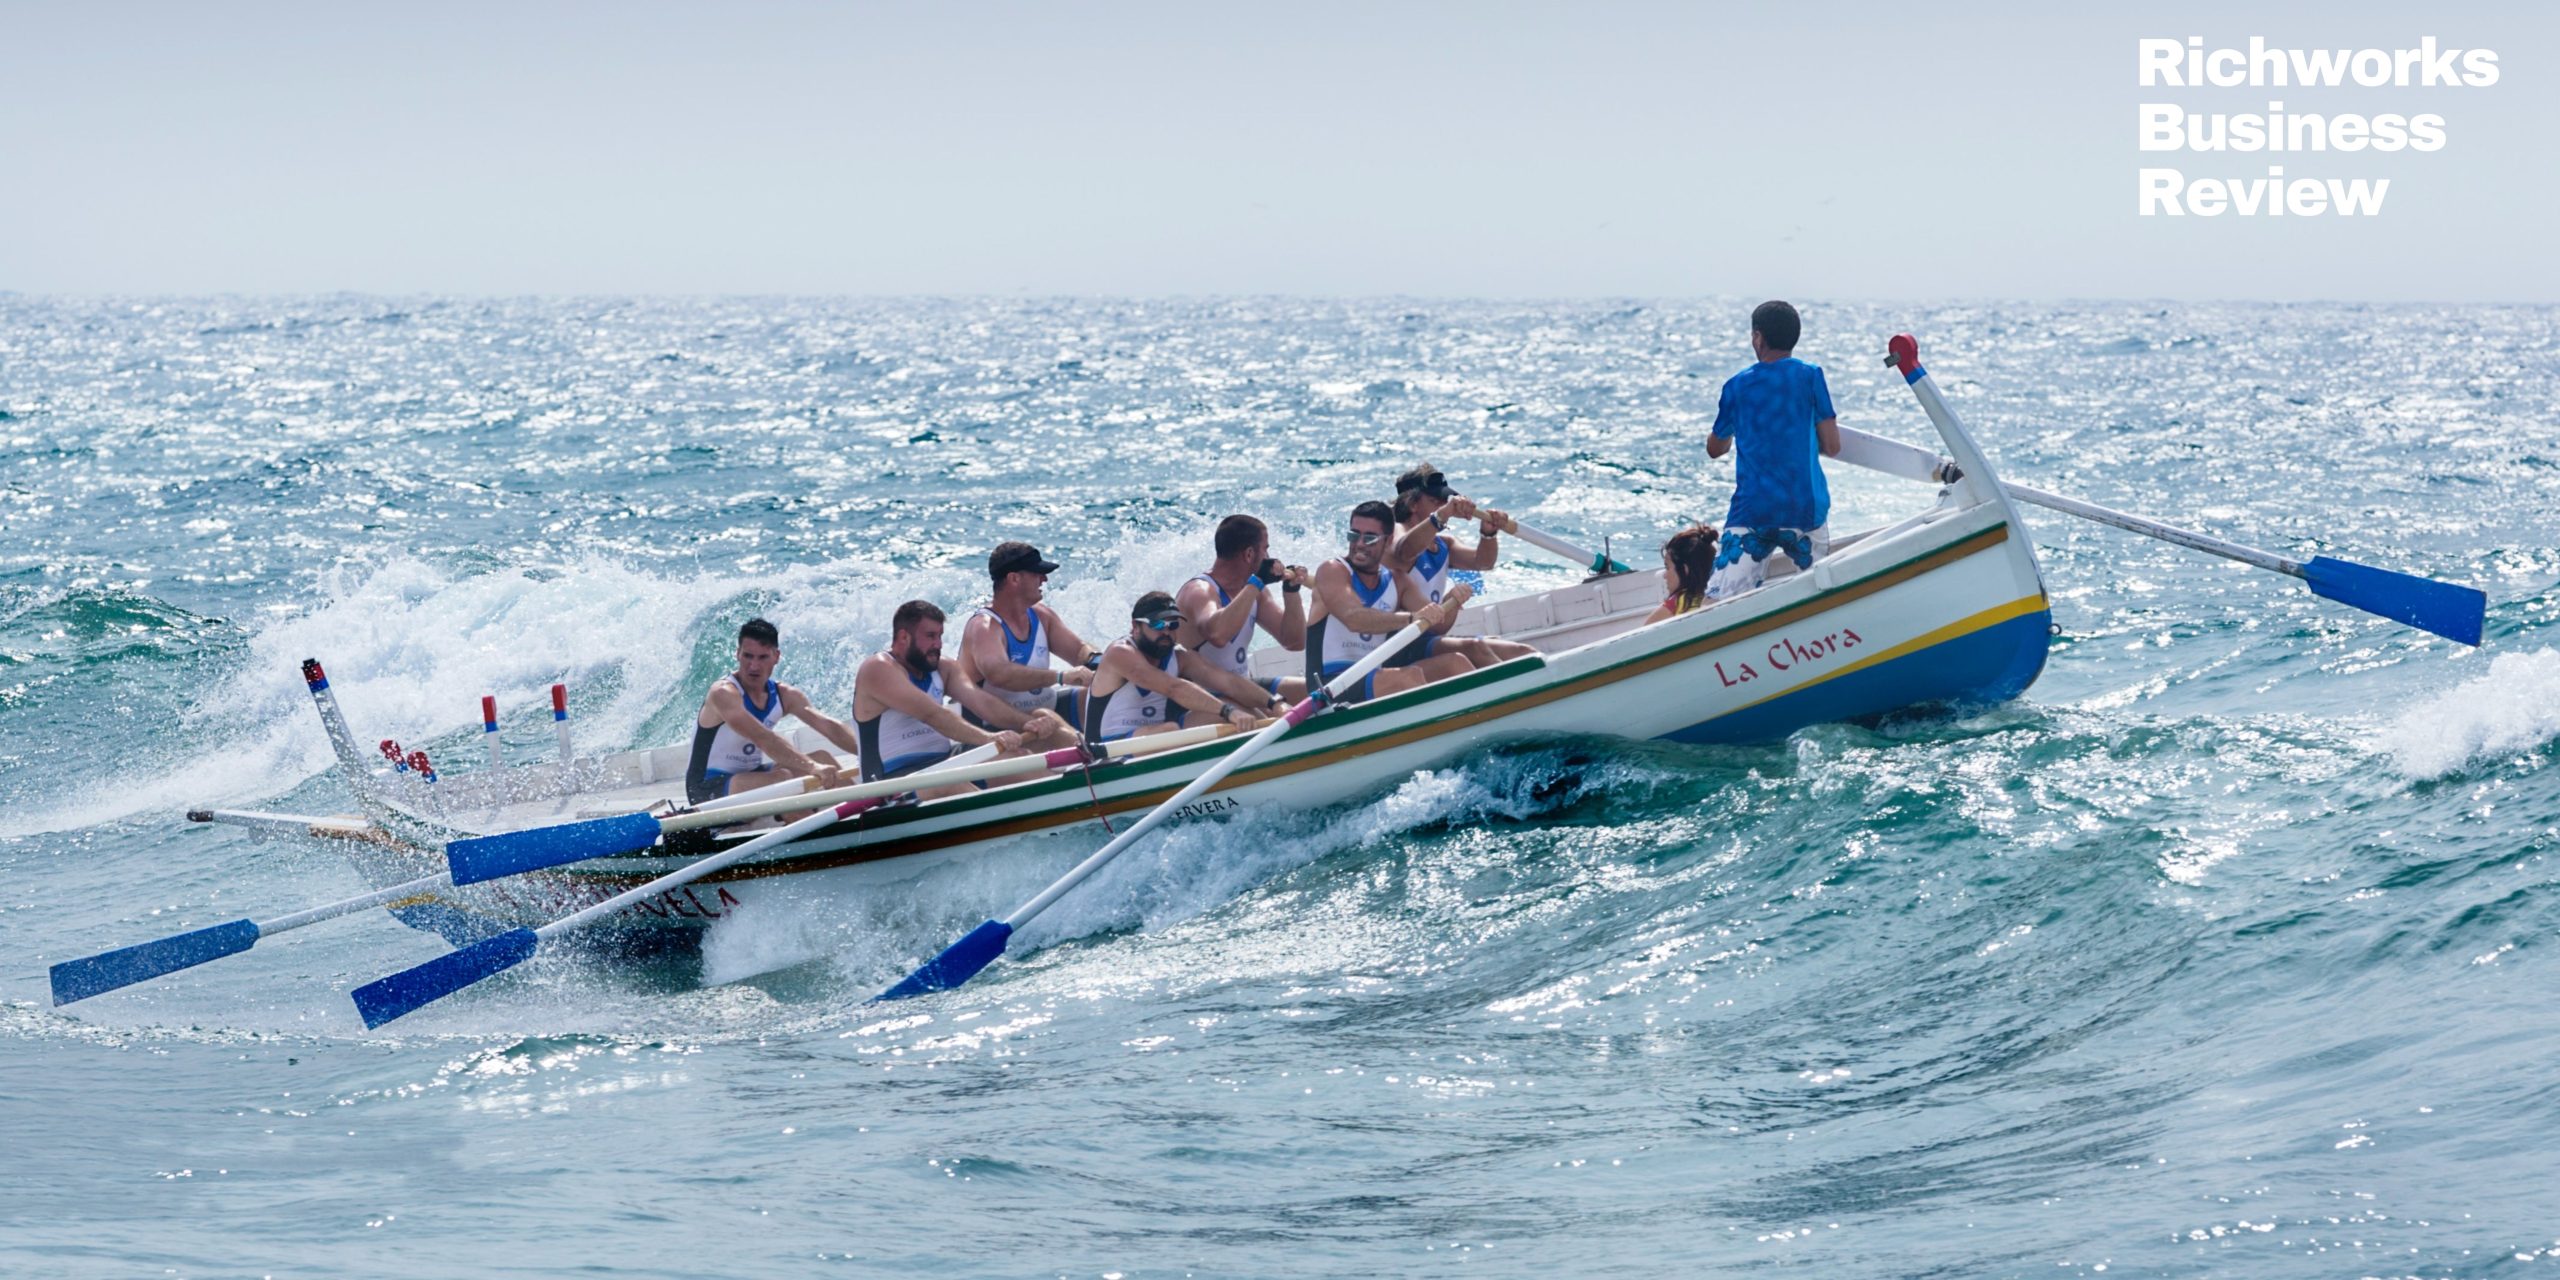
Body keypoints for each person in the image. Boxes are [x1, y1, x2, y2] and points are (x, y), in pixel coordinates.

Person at [1704, 299, 1843, 598]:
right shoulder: (1811, 376)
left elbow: (1715, 449)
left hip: (1752, 512)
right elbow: (1832, 446)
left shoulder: (1736, 386)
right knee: (1823, 590)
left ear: (1758, 337)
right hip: (1805, 511)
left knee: (1720, 601)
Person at [854, 600, 1049, 800]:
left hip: (944, 764)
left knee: (1014, 758)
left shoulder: (944, 667)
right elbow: (932, 714)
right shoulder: (878, 669)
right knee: (947, 783)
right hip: (889, 784)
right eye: (930, 636)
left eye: (940, 636)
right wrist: (988, 738)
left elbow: (982, 701)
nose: (938, 644)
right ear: (904, 637)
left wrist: (1026, 723)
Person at [1306, 500, 1477, 703]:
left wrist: (1452, 600)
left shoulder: (1398, 580)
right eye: (1353, 535)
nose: (1359, 543)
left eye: (1369, 538)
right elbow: (1354, 619)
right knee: (1408, 677)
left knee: (1455, 663)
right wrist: (1410, 619)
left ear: (1387, 542)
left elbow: (1438, 625)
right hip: (1331, 684)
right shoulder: (1333, 570)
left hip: (1372, 676)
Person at [683, 618, 860, 804]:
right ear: (737, 654)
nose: (754, 666)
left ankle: (863, 810)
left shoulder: (784, 695)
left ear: (776, 657)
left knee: (824, 758)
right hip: (706, 788)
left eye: (762, 657)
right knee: (782, 778)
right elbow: (763, 737)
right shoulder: (723, 693)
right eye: (748, 656)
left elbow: (828, 726)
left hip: (750, 776)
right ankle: (803, 824)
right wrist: (812, 767)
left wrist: (868, 753)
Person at [1387, 464, 1537, 666]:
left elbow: (1483, 562)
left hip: (1427, 637)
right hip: (1397, 645)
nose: (1442, 504)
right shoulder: (1395, 532)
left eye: (1444, 501)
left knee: (1522, 652)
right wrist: (1442, 515)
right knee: (1474, 648)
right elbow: (1405, 551)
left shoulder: (1443, 545)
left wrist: (1488, 533)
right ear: (1413, 504)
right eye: (1435, 501)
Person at [958, 541, 1093, 752]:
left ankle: (1112, 747)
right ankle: (1096, 759)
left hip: (1045, 712)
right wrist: (1060, 677)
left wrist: (1098, 659)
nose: (1044, 579)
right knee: (1045, 718)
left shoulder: (1041, 615)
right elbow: (1000, 674)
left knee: (1096, 692)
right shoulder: (984, 627)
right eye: (1037, 573)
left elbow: (1079, 651)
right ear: (1014, 578)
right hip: (999, 729)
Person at [1084, 592, 1270, 742]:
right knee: (1172, 729)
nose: (1166, 632)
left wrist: (1276, 703)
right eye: (1158, 624)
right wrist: (1228, 712)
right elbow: (1174, 688)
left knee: (1237, 706)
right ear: (1136, 626)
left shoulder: (1181, 657)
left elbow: (1229, 682)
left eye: (1172, 625)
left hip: (1155, 738)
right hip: (1109, 748)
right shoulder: (1120, 653)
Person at [1174, 514, 1309, 705]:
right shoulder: (1199, 591)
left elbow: (1295, 642)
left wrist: (1291, 592)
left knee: (1315, 692)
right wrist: (1257, 582)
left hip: (1243, 687)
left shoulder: (1255, 592)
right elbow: (1218, 635)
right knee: (1260, 714)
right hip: (1202, 698)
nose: (1269, 558)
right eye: (1265, 550)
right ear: (1249, 554)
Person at [1644, 524, 1721, 624]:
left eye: (1668, 567)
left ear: (1685, 570)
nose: (1665, 575)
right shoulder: (1719, 595)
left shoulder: (1675, 604)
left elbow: (1644, 631)